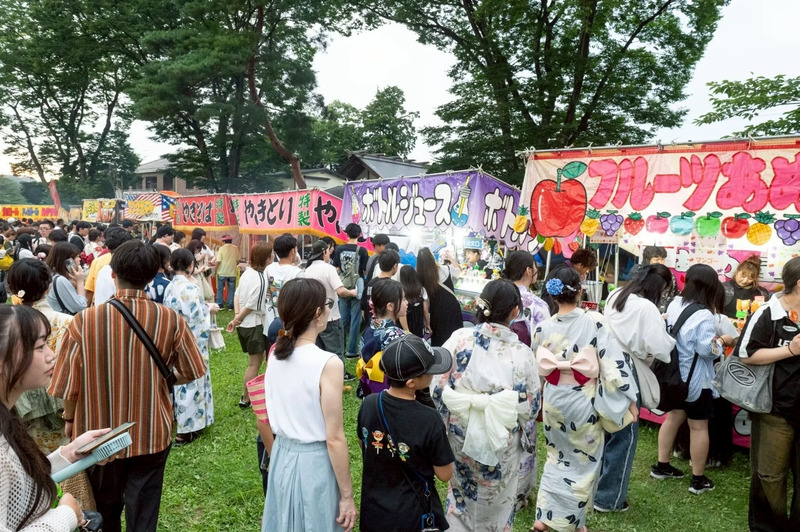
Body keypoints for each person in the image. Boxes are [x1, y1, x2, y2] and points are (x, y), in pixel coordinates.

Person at [48, 240, 207, 532]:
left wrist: (70, 420)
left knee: (104, 509)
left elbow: (68, 386)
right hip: (152, 432)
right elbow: (193, 369)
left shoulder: (84, 322)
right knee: (144, 512)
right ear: (152, 276)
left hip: (96, 435)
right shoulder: (169, 320)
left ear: (112, 274)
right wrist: (165, 378)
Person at [531, 267, 637, 532]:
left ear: (553, 296)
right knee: (584, 462)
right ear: (579, 291)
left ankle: (545, 519)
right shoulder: (595, 321)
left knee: (556, 457)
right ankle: (570, 523)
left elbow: (538, 367)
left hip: (554, 398)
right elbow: (613, 365)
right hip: (583, 401)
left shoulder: (543, 327)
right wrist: (630, 397)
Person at [432, 279, 541, 530]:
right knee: (499, 500)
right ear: (515, 311)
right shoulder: (521, 354)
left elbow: (437, 387)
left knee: (461, 494)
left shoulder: (460, 339)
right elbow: (532, 407)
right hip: (501, 436)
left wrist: (455, 414)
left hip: (462, 432)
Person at [0, 304, 114, 532]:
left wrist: (70, 453)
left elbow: (17, 484)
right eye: (40, 347)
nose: (51, 355)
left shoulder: (8, 415)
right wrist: (66, 515)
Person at [262, 278, 357, 532]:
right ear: (317, 313)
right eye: (327, 304)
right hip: (314, 463)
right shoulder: (328, 363)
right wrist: (347, 496)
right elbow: (334, 437)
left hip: (282, 455)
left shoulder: (275, 354)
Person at [594, 264, 676, 513]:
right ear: (660, 287)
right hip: (628, 367)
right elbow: (660, 347)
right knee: (625, 432)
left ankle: (597, 490)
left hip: (606, 361)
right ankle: (610, 499)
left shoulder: (617, 295)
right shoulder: (647, 307)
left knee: (605, 427)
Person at [357, 335, 455, 532]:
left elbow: (364, 444)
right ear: (411, 383)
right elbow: (445, 474)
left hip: (374, 512)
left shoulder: (369, 404)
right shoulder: (430, 419)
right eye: (429, 370)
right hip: (412, 515)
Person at [738, 256, 800, 531]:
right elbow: (746, 354)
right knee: (769, 477)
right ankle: (769, 527)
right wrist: (790, 349)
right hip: (776, 410)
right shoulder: (768, 312)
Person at [651, 263, 723, 495]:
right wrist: (722, 342)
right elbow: (707, 351)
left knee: (672, 418)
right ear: (711, 287)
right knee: (699, 427)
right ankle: (698, 479)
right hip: (695, 381)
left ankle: (662, 466)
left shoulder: (674, 304)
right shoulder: (704, 315)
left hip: (673, 377)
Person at [6, 258, 73, 430]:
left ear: (12, 288)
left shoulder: (7, 324)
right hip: (64, 406)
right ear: (47, 287)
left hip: (17, 408)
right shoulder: (69, 323)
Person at [163, 249, 215, 445]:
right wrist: (208, 309)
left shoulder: (170, 287)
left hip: (174, 338)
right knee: (191, 382)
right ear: (190, 265)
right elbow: (197, 317)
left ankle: (183, 422)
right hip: (191, 339)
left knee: (179, 381)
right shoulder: (191, 288)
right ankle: (187, 430)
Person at [226, 241, 272, 408]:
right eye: (271, 254)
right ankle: (246, 398)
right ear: (267, 258)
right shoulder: (261, 279)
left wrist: (237, 316)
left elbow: (237, 295)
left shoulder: (247, 273)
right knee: (254, 364)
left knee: (252, 363)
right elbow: (253, 305)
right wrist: (237, 319)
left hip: (244, 325)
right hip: (254, 325)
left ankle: (247, 396)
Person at [304, 239, 358, 380]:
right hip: (331, 317)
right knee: (336, 351)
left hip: (314, 318)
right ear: (324, 252)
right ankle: (339, 378)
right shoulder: (328, 269)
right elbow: (340, 291)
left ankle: (321, 376)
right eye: (328, 250)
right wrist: (353, 292)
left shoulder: (308, 270)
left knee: (319, 351)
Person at [357, 278, 408, 397]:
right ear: (390, 306)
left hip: (370, 393)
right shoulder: (395, 334)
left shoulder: (369, 329)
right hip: (390, 394)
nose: (407, 302)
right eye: (404, 299)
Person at [331, 223, 369, 359]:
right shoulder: (363, 251)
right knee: (356, 319)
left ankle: (340, 348)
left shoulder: (339, 249)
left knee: (342, 319)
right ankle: (352, 351)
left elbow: (335, 268)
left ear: (346, 233)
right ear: (359, 235)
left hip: (342, 285)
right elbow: (364, 270)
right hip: (357, 287)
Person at [417, 247, 462, 347]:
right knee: (455, 336)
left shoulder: (420, 277)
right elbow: (459, 270)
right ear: (432, 257)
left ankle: (441, 360)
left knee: (439, 338)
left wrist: (427, 323)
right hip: (452, 307)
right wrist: (450, 258)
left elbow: (425, 304)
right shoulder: (445, 269)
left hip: (436, 311)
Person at [503, 250, 550, 346]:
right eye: (535, 266)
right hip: (525, 357)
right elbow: (546, 340)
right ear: (528, 271)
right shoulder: (538, 305)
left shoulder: (497, 294)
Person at [540, 248, 598, 314]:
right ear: (580, 265)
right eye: (587, 269)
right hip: (553, 310)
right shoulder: (565, 272)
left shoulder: (564, 268)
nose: (586, 272)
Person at [85, 227, 131, 306]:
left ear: (108, 248)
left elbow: (89, 290)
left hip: (99, 308)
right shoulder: (131, 262)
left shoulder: (98, 261)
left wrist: (86, 310)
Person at [629, 246, 678, 313]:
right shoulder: (639, 273)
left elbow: (674, 292)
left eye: (663, 259)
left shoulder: (669, 274)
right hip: (643, 311)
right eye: (656, 260)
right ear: (647, 260)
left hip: (666, 312)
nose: (661, 262)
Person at [44, 242, 87, 315]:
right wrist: (80, 282)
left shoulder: (54, 275)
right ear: (68, 261)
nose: (79, 259)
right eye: (77, 257)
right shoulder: (60, 280)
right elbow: (81, 306)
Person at [360, 249, 400, 323]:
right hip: (386, 327)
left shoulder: (370, 283)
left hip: (371, 325)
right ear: (395, 266)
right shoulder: (394, 287)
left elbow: (363, 307)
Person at [399, 264, 429, 337]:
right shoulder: (421, 289)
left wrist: (407, 331)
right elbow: (425, 310)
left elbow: (401, 314)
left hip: (406, 321)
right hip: (418, 320)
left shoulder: (400, 290)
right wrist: (428, 324)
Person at [214, 234, 240, 310]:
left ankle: (220, 305)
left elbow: (218, 261)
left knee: (220, 289)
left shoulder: (221, 249)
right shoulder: (235, 248)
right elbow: (238, 260)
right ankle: (230, 306)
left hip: (222, 272)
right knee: (231, 289)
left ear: (223, 241)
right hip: (232, 273)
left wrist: (215, 270)